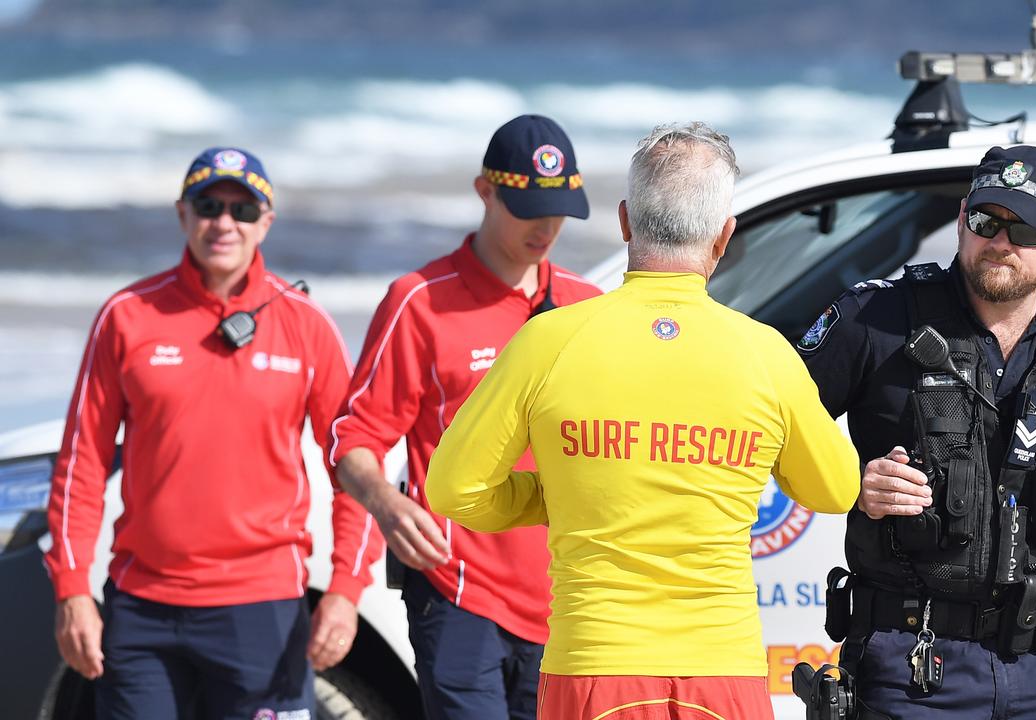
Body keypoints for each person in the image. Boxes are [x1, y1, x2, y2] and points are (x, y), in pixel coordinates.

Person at [424, 122, 859, 720]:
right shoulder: (765, 354)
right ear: (724, 235)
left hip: (595, 666)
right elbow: (835, 489)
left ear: (625, 221)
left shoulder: (550, 340)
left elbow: (454, 489)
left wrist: (557, 494)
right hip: (723, 668)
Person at [797, 145, 1036, 719]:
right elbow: (770, 432)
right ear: (961, 219)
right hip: (913, 667)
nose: (1001, 241)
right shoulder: (874, 321)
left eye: (1024, 228)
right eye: (986, 221)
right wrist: (853, 481)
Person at [45, 147, 382, 718]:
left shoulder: (307, 325)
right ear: (183, 214)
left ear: (266, 223)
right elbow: (81, 464)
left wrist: (347, 593)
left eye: (242, 210)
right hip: (143, 611)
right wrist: (73, 589)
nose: (223, 223)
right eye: (208, 205)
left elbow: (355, 464)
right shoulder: (127, 316)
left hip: (263, 610)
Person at [329, 114, 600, 720]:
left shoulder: (587, 308)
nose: (547, 227)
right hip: (458, 594)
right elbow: (354, 437)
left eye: (559, 209)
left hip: (568, 600)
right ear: (485, 191)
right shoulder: (419, 301)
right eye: (528, 208)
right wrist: (386, 503)